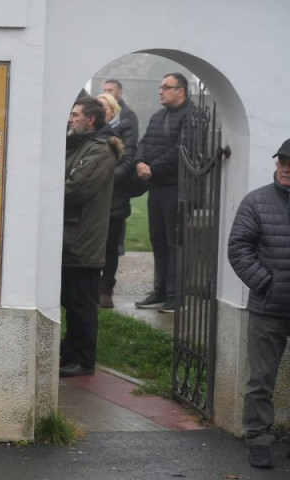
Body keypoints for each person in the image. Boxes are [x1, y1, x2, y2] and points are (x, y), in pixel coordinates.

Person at [228, 138, 290, 470]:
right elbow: (238, 248)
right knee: (261, 381)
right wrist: (266, 283)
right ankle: (258, 440)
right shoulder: (257, 202)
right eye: (282, 162)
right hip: (268, 308)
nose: (286, 169)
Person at [59, 97, 119, 377]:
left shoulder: (100, 150)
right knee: (71, 302)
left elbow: (76, 188)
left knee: (82, 303)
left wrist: (48, 191)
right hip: (71, 238)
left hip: (84, 240)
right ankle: (70, 352)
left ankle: (84, 360)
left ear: (90, 119)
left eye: (75, 114)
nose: (70, 119)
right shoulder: (79, 146)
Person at [133, 73, 193, 313]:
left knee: (173, 242)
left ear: (182, 90)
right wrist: (138, 162)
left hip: (176, 187)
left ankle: (174, 296)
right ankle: (159, 292)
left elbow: (183, 149)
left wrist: (151, 167)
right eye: (160, 87)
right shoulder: (158, 116)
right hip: (156, 186)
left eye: (166, 87)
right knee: (157, 241)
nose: (160, 91)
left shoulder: (192, 116)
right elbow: (144, 143)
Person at [95, 93, 138, 309]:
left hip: (114, 196)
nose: (101, 111)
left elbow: (128, 161)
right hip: (93, 198)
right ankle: (92, 285)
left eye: (104, 107)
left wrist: (106, 179)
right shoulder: (92, 131)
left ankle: (106, 288)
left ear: (113, 110)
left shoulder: (124, 130)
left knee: (111, 246)